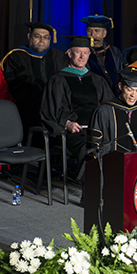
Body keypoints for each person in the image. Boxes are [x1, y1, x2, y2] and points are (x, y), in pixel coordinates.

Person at [40, 36, 114, 188]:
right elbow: (51, 109)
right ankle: (90, 192)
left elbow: (109, 105)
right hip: (73, 132)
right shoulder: (58, 80)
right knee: (88, 149)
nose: (82, 57)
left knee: (113, 144)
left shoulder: (97, 80)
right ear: (69, 53)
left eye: (86, 53)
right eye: (78, 52)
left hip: (96, 129)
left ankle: (111, 187)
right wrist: (66, 124)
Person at [0, 22, 68, 143]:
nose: (42, 40)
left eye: (46, 37)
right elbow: (15, 85)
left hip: (55, 106)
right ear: (29, 37)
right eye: (37, 36)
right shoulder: (17, 56)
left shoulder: (58, 56)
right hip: (28, 107)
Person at [88, 67, 137, 155]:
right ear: (120, 86)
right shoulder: (104, 112)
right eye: (129, 90)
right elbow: (95, 144)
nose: (133, 95)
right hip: (111, 165)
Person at [80, 15, 125, 95]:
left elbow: (122, 72)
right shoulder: (83, 52)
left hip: (116, 96)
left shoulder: (114, 52)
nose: (92, 35)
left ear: (104, 33)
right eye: (89, 31)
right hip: (93, 95)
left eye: (96, 31)